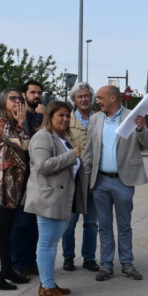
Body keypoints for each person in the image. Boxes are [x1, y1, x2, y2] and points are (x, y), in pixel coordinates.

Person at [86, 84, 148, 281]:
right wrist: (87, 179)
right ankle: (106, 265)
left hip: (123, 181)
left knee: (124, 225)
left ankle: (127, 264)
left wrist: (141, 128)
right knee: (104, 225)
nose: (97, 101)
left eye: (100, 97)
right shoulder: (95, 119)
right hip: (101, 181)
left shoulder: (132, 117)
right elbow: (89, 151)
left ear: (113, 98)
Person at [23, 101, 87, 296]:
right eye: (61, 115)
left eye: (68, 116)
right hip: (48, 198)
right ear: (50, 116)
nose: (65, 119)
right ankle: (47, 288)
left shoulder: (60, 137)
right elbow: (43, 166)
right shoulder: (42, 137)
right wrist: (71, 156)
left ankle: (48, 282)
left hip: (60, 198)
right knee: (47, 244)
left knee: (51, 244)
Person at [0, 89, 32, 290]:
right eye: (12, 99)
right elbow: (24, 143)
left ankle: (7, 269)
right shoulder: (0, 121)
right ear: (3, 101)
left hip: (13, 182)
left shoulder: (11, 123)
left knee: (8, 228)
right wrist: (22, 122)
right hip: (1, 181)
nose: (17, 103)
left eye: (19, 100)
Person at [60, 82, 99, 272]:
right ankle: (68, 257)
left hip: (94, 177)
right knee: (70, 222)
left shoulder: (99, 119)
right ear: (74, 100)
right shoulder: (67, 121)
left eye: (87, 96)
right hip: (73, 177)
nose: (84, 99)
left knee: (91, 222)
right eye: (80, 96)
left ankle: (89, 258)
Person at [11, 79, 45, 276]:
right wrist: (39, 119)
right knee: (21, 223)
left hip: (37, 177)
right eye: (32, 92)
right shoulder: (21, 117)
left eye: (39, 92)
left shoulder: (40, 115)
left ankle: (31, 261)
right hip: (21, 177)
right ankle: (17, 263)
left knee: (34, 224)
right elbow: (30, 142)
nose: (36, 96)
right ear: (24, 95)